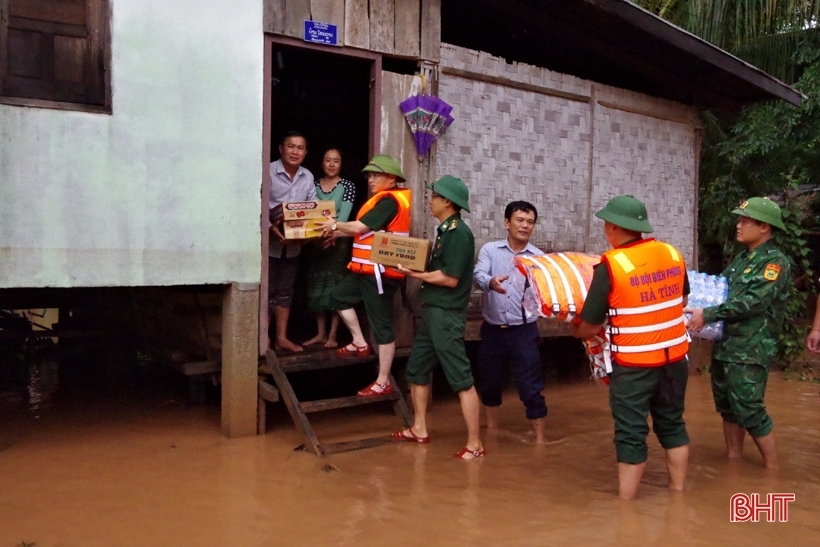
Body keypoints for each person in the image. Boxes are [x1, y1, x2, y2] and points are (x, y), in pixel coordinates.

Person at [570, 194, 690, 499]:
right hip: (675, 360)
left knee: (631, 433)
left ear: (612, 227)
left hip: (635, 367)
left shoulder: (610, 265)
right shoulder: (671, 253)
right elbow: (683, 299)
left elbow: (591, 324)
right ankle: (677, 492)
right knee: (673, 425)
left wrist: (575, 329)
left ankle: (627, 508)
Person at [688, 197, 791, 469]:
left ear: (764, 227)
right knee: (728, 407)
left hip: (750, 350)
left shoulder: (774, 264)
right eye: (740, 219)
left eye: (745, 220)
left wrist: (706, 315)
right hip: (727, 346)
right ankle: (734, 462)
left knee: (750, 408)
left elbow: (753, 301)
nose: (739, 225)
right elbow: (717, 290)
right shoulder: (742, 260)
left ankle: (773, 470)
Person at [392, 176, 484, 460]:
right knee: (417, 369)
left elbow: (450, 278)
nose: (430, 200)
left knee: (461, 378)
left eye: (434, 196)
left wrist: (414, 274)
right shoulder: (445, 230)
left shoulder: (458, 234)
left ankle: (475, 444)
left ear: (447, 202)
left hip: (446, 315)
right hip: (432, 312)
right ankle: (419, 427)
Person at [318, 155, 411, 396]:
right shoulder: (381, 200)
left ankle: (383, 382)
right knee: (338, 296)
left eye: (376, 175)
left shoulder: (389, 202)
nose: (370, 180)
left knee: (382, 329)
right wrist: (337, 234)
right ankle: (359, 341)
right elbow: (366, 233)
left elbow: (359, 228)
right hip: (364, 271)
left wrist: (335, 226)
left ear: (391, 179)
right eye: (369, 175)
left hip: (380, 274)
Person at [473, 201, 548, 442]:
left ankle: (539, 439)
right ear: (507, 222)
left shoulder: (539, 258)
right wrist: (490, 282)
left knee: (531, 386)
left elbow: (547, 291)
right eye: (520, 220)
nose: (525, 226)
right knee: (489, 382)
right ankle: (492, 430)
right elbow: (478, 274)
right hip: (493, 330)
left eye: (530, 222)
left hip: (524, 331)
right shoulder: (490, 250)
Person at [303, 148, 356, 348]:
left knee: (335, 286)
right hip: (315, 241)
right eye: (328, 160)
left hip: (338, 239)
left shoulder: (347, 186)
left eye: (336, 161)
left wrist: (333, 233)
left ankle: (333, 335)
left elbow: (345, 215)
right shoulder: (313, 185)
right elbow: (307, 210)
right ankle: (320, 333)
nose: (332, 164)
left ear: (341, 164)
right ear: (322, 163)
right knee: (316, 285)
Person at [269, 131, 316, 353]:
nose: (295, 151)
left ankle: (281, 338)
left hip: (294, 246)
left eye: (300, 148)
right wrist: (270, 227)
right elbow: (256, 203)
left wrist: (310, 233)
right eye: (291, 146)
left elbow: (313, 207)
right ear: (281, 148)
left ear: (305, 153)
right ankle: (263, 339)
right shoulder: (267, 171)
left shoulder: (307, 176)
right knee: (266, 291)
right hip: (268, 245)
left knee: (286, 291)